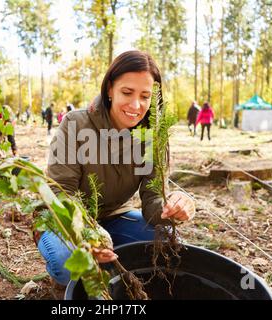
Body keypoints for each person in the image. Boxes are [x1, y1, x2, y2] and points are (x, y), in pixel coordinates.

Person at [36, 50, 196, 286]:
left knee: (168, 245)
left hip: (114, 216)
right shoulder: (75, 124)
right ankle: (78, 261)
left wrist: (173, 207)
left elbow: (152, 200)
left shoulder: (154, 137)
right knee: (68, 265)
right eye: (127, 92)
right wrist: (88, 235)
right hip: (64, 219)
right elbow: (62, 194)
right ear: (110, 89)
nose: (136, 105)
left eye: (145, 96)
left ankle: (109, 259)